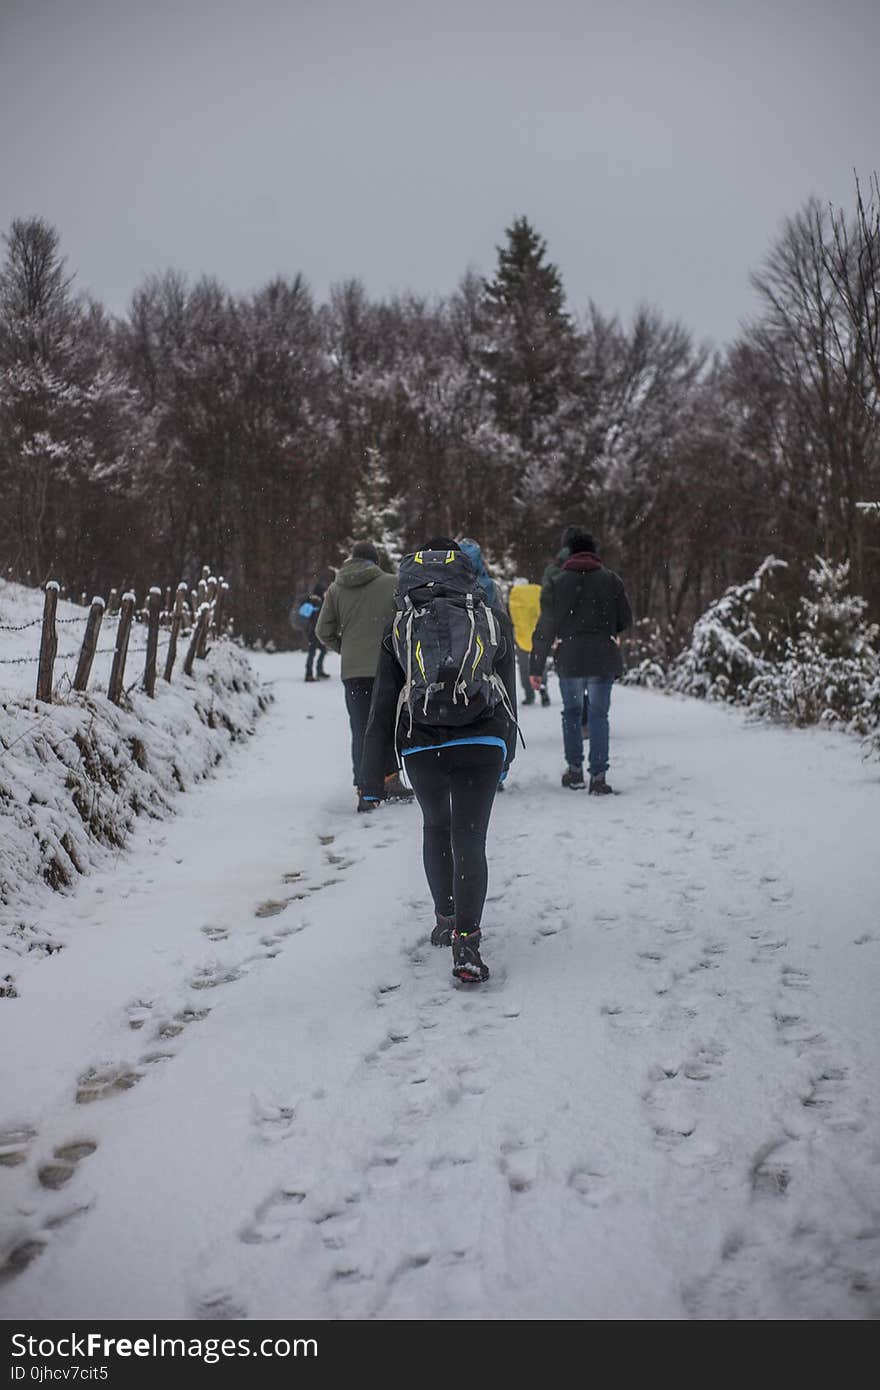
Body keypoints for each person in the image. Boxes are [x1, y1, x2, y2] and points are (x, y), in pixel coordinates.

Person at [359, 540, 518, 983]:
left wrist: (374, 776)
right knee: (470, 836)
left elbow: (383, 705)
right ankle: (467, 942)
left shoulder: (401, 624)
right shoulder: (489, 617)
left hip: (422, 743)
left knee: (436, 827)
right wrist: (504, 753)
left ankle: (446, 918)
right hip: (482, 739)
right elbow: (508, 691)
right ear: (466, 572)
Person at [530, 531, 632, 794]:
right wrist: (606, 627)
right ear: (594, 552)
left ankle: (574, 772)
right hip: (603, 656)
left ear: (569, 552)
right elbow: (625, 620)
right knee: (599, 715)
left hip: (570, 658)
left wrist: (536, 667)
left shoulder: (556, 582)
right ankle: (598, 777)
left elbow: (545, 628)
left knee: (572, 713)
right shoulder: (611, 580)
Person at [315, 541, 412, 811]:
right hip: (387, 669)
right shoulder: (393, 583)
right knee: (388, 724)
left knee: (361, 728)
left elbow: (323, 631)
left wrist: (345, 648)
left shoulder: (335, 589)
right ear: (375, 561)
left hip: (353, 672)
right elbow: (404, 622)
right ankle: (391, 779)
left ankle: (363, 787)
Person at [508, 577, 549, 707]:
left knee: (524, 668)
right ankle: (543, 690)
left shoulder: (514, 596)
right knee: (540, 665)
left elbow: (510, 618)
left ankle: (529, 695)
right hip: (538, 636)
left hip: (521, 638)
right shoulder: (537, 592)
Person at [295, 570, 333, 681]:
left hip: (311, 629)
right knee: (313, 651)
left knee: (321, 650)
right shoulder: (318, 601)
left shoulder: (312, 599)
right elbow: (318, 617)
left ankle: (317, 671)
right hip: (313, 630)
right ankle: (309, 673)